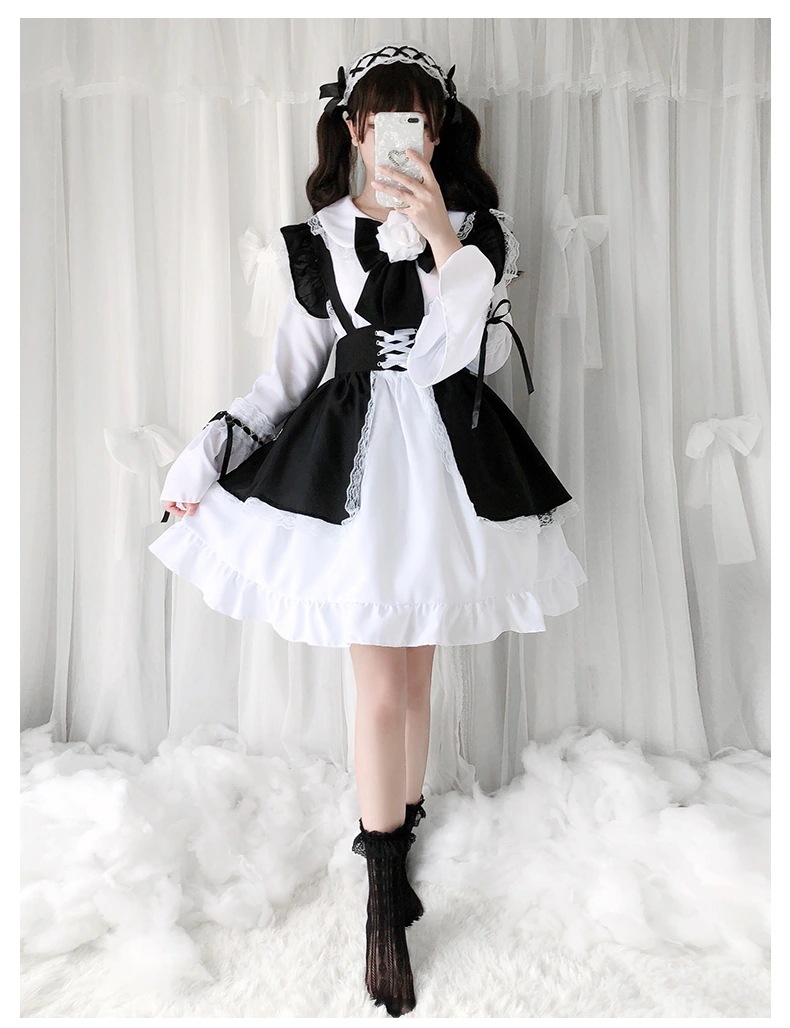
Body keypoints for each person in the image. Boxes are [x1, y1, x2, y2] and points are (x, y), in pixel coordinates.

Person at [149, 42, 587, 1017]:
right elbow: (285, 380)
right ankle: (383, 892)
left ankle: (403, 828)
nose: (399, 139)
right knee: (381, 684)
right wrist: (205, 456)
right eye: (382, 121)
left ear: (435, 130)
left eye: (416, 123)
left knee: (417, 674)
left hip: (446, 467)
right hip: (349, 477)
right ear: (353, 129)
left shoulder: (474, 232)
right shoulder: (319, 241)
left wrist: (437, 236)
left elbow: (468, 356)